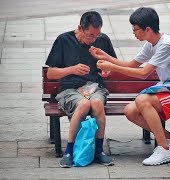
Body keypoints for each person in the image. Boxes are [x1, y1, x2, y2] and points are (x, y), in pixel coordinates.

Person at [89, 7, 170, 166]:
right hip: (169, 89)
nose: (134, 33)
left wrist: (112, 67)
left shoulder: (167, 44)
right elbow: (131, 64)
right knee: (130, 111)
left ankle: (164, 148)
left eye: (135, 29)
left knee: (142, 100)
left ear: (147, 29)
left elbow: (143, 73)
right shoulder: (151, 44)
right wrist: (106, 56)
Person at [45, 11, 116, 168]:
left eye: (97, 35)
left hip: (95, 88)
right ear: (80, 28)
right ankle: (69, 151)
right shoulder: (64, 40)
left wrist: (107, 71)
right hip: (69, 90)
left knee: (96, 104)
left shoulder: (102, 40)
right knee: (83, 104)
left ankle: (99, 151)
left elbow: (112, 66)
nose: (93, 39)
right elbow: (50, 73)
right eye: (90, 35)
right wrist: (71, 69)